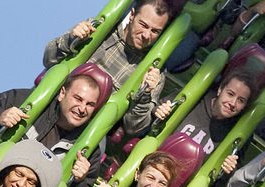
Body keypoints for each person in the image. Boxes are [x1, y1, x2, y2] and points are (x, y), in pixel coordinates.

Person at [0, 69, 107, 187]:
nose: (82, 108)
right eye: (78, 98)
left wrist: (79, 182)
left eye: (90, 104)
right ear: (62, 93)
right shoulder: (26, 101)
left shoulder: (89, 149)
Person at [44, 0, 175, 136]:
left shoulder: (153, 70)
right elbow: (49, 59)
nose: (146, 35)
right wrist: (71, 39)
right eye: (143, 25)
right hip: (54, 108)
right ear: (132, 15)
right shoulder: (100, 30)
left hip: (89, 132)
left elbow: (134, 128)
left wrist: (145, 93)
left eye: (155, 31)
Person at [154, 72, 257, 172]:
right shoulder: (195, 98)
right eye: (230, 94)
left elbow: (226, 182)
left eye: (241, 100)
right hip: (155, 160)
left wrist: (228, 169)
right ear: (220, 90)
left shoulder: (238, 133)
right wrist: (160, 111)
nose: (233, 103)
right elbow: (151, 116)